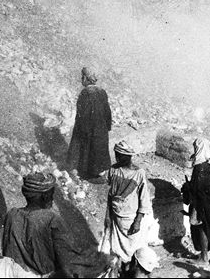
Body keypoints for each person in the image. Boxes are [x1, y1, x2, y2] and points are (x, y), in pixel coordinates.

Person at [2, 172, 76, 277]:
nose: (52, 198)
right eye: (52, 193)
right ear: (45, 196)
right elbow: (66, 262)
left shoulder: (12, 215)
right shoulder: (51, 219)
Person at [99, 141, 153, 275]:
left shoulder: (139, 173)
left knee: (133, 250)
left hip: (131, 218)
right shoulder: (113, 170)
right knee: (117, 250)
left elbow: (143, 199)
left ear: (129, 156)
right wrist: (107, 216)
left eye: (120, 156)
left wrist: (138, 221)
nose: (117, 158)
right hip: (117, 218)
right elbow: (110, 195)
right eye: (117, 155)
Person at [182, 137, 210, 265]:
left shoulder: (201, 167)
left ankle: (204, 257)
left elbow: (198, 188)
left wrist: (188, 188)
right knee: (205, 227)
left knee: (202, 227)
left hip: (203, 204)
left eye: (196, 148)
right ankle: (204, 255)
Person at [66, 68, 112, 181]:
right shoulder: (102, 91)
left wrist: (80, 129)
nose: (81, 80)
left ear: (86, 79)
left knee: (83, 147)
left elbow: (81, 114)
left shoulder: (85, 93)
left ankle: (83, 171)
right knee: (98, 150)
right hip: (101, 128)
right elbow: (107, 111)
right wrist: (107, 126)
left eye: (82, 77)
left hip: (88, 128)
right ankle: (99, 172)